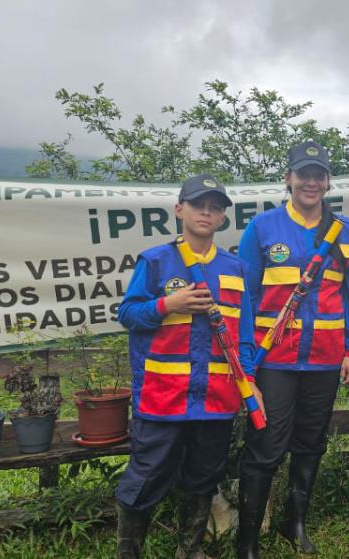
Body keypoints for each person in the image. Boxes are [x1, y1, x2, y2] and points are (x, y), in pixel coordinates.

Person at [114, 174, 259, 559]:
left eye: (214, 206)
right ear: (180, 210)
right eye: (198, 204)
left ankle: (189, 550)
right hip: (163, 399)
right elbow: (127, 314)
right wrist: (167, 305)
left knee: (203, 476)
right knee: (145, 478)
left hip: (216, 399)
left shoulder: (236, 268)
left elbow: (243, 336)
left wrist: (251, 381)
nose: (206, 212)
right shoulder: (156, 262)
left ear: (224, 217)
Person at [235, 140, 349, 558]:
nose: (311, 182)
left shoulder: (346, 231)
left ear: (328, 182)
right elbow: (244, 296)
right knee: (266, 446)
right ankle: (248, 541)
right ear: (288, 178)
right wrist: (245, 360)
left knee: (311, 443)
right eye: (303, 174)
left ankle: (294, 524)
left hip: (325, 359)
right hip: (273, 360)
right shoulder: (263, 228)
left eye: (319, 175)